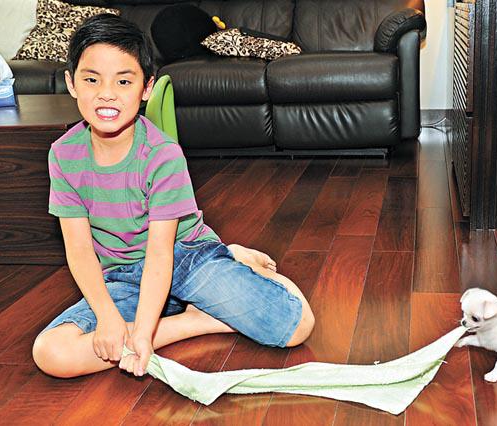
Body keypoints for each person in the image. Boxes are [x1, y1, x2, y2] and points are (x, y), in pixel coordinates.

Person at [32, 13, 314, 379]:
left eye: (123, 81)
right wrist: (107, 316)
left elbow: (161, 253)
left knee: (296, 326)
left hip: (186, 258)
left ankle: (230, 259)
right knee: (52, 353)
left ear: (146, 88)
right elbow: (80, 250)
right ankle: (198, 320)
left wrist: (142, 336)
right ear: (71, 83)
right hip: (121, 276)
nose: (106, 93)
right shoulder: (62, 154)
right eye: (91, 79)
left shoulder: (162, 154)